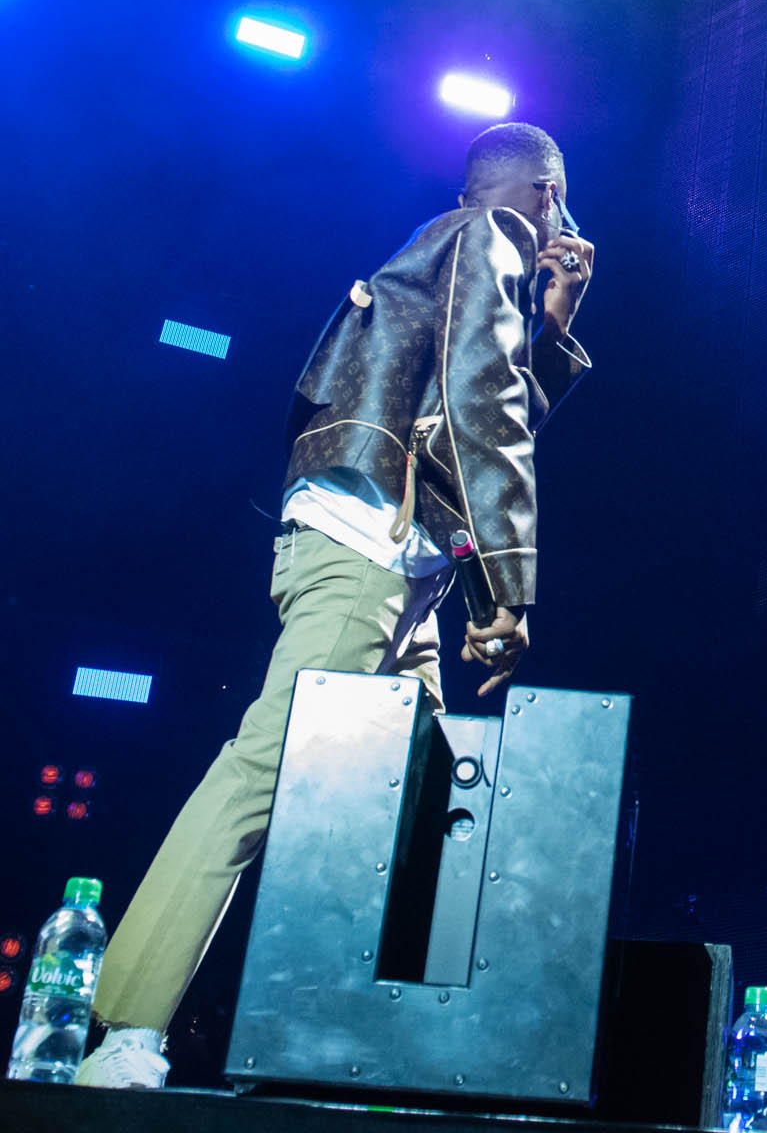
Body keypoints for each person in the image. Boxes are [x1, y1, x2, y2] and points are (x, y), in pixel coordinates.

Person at [75, 122, 596, 1090]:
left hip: (398, 566)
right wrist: (510, 587)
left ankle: (405, 1042)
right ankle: (123, 1024)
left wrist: (555, 321)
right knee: (268, 761)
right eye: (552, 193)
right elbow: (483, 410)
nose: (562, 215)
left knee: (441, 797)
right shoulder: (481, 237)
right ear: (529, 190)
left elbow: (479, 401)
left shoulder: (452, 257)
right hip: (368, 549)